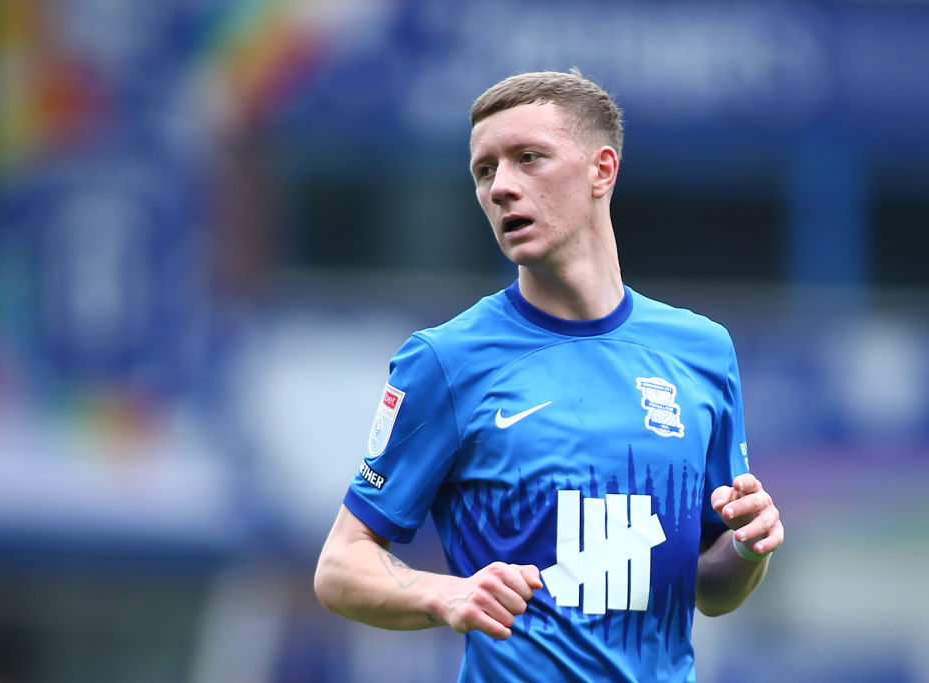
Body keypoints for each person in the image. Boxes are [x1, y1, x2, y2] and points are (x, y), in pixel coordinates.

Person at [313, 69, 784, 682]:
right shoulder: (447, 361)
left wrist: (748, 548)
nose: (501, 187)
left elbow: (708, 588)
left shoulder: (702, 351)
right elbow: (341, 565)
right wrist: (445, 595)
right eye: (485, 170)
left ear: (602, 171)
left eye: (528, 159)